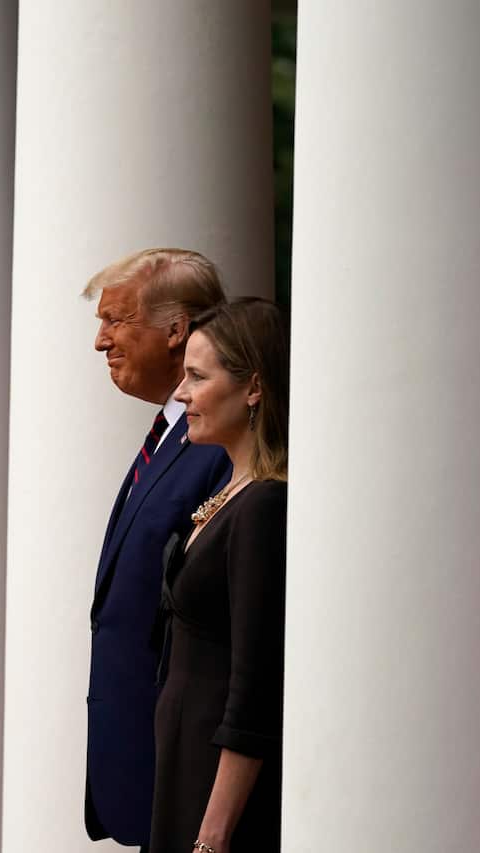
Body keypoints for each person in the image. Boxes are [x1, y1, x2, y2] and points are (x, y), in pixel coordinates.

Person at [83, 249, 233, 850]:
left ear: (176, 331)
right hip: (143, 760)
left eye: (115, 320)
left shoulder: (217, 442)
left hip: (183, 768)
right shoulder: (172, 433)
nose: (101, 341)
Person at [151, 297, 289, 853]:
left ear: (253, 387)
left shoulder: (264, 506)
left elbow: (254, 684)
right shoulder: (230, 493)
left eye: (197, 377)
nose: (181, 393)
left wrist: (214, 832)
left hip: (217, 792)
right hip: (185, 763)